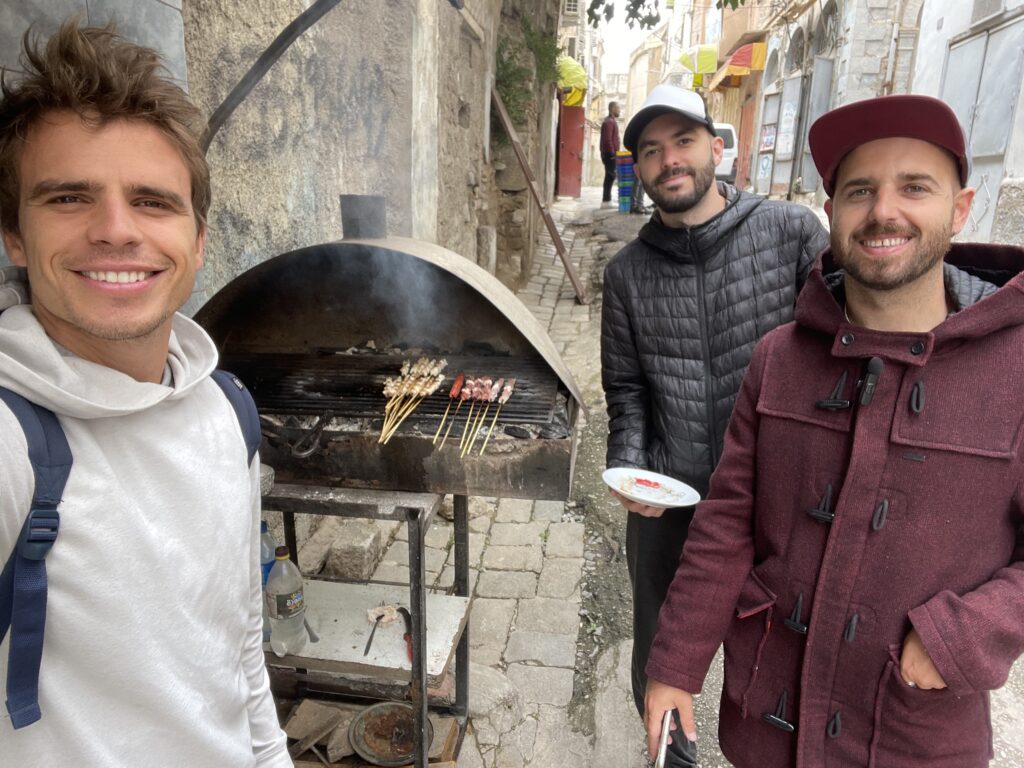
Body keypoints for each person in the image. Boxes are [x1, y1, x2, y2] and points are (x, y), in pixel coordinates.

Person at [643, 93, 1024, 768]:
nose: (883, 211)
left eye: (914, 187)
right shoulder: (780, 357)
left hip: (912, 736)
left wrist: (960, 639)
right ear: (832, 213)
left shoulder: (1016, 369)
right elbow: (728, 521)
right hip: (766, 727)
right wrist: (674, 664)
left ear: (961, 209)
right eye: (859, 190)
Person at [0, 22, 290, 766]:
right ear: (15, 236)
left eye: (153, 202)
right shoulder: (13, 446)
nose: (116, 231)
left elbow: (241, 651)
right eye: (69, 197)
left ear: (197, 241)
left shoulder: (228, 413)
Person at [600, 84, 828, 763]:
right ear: (637, 169)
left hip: (782, 498)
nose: (670, 160)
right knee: (661, 653)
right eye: (651, 150)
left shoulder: (790, 233)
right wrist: (631, 466)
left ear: (716, 148)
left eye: (684, 141)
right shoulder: (627, 274)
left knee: (783, 653)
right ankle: (671, 755)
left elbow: (846, 339)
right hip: (672, 498)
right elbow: (627, 389)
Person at [601, 101, 622, 206]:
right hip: (610, 154)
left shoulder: (611, 121)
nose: (619, 110)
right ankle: (606, 200)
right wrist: (613, 153)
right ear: (612, 109)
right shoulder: (609, 122)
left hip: (610, 153)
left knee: (610, 176)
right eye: (618, 108)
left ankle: (607, 199)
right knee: (610, 176)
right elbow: (607, 140)